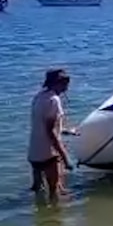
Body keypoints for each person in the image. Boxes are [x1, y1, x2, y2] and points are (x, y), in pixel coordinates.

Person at [28, 68, 75, 203]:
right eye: (65, 84)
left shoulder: (38, 97)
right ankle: (53, 219)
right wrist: (65, 157)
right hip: (48, 153)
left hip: (34, 152)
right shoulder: (54, 100)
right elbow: (51, 132)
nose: (67, 88)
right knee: (54, 193)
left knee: (38, 189)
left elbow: (41, 124)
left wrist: (65, 130)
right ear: (58, 83)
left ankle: (37, 216)